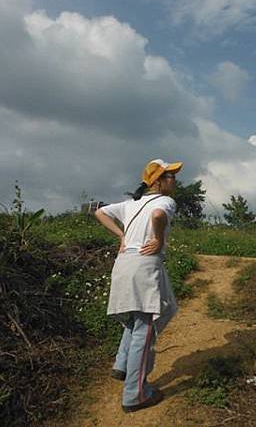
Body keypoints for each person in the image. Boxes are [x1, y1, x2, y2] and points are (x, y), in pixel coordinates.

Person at [94, 158, 182, 412]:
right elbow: (157, 215)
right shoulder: (166, 202)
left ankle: (122, 364)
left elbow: (100, 212)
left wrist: (122, 236)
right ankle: (135, 394)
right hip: (145, 265)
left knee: (139, 318)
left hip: (124, 264)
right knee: (145, 328)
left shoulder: (132, 203)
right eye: (170, 176)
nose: (174, 180)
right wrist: (158, 237)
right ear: (156, 181)